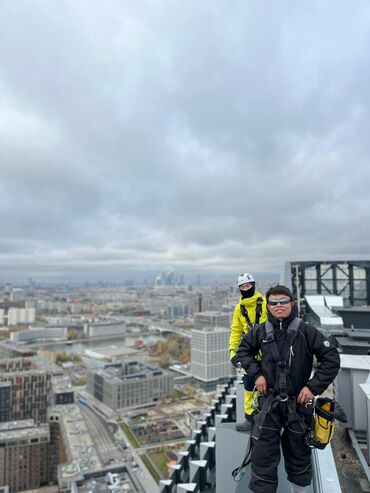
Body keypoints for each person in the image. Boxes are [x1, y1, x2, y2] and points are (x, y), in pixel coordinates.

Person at [236, 285, 340, 493]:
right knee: (263, 456)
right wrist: (256, 374)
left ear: (292, 303)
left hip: (298, 404)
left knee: (298, 454)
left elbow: (331, 359)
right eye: (273, 302)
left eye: (283, 301)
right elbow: (243, 351)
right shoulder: (260, 331)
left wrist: (312, 387)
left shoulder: (307, 332)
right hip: (269, 404)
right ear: (268, 306)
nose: (279, 306)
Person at [229, 273, 267, 431]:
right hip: (249, 352)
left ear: (253, 285)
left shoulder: (264, 303)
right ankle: (250, 418)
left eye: (248, 285)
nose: (245, 289)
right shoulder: (240, 308)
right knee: (249, 385)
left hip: (267, 351)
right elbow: (236, 331)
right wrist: (233, 351)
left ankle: (267, 418)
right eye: (242, 287)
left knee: (269, 385)